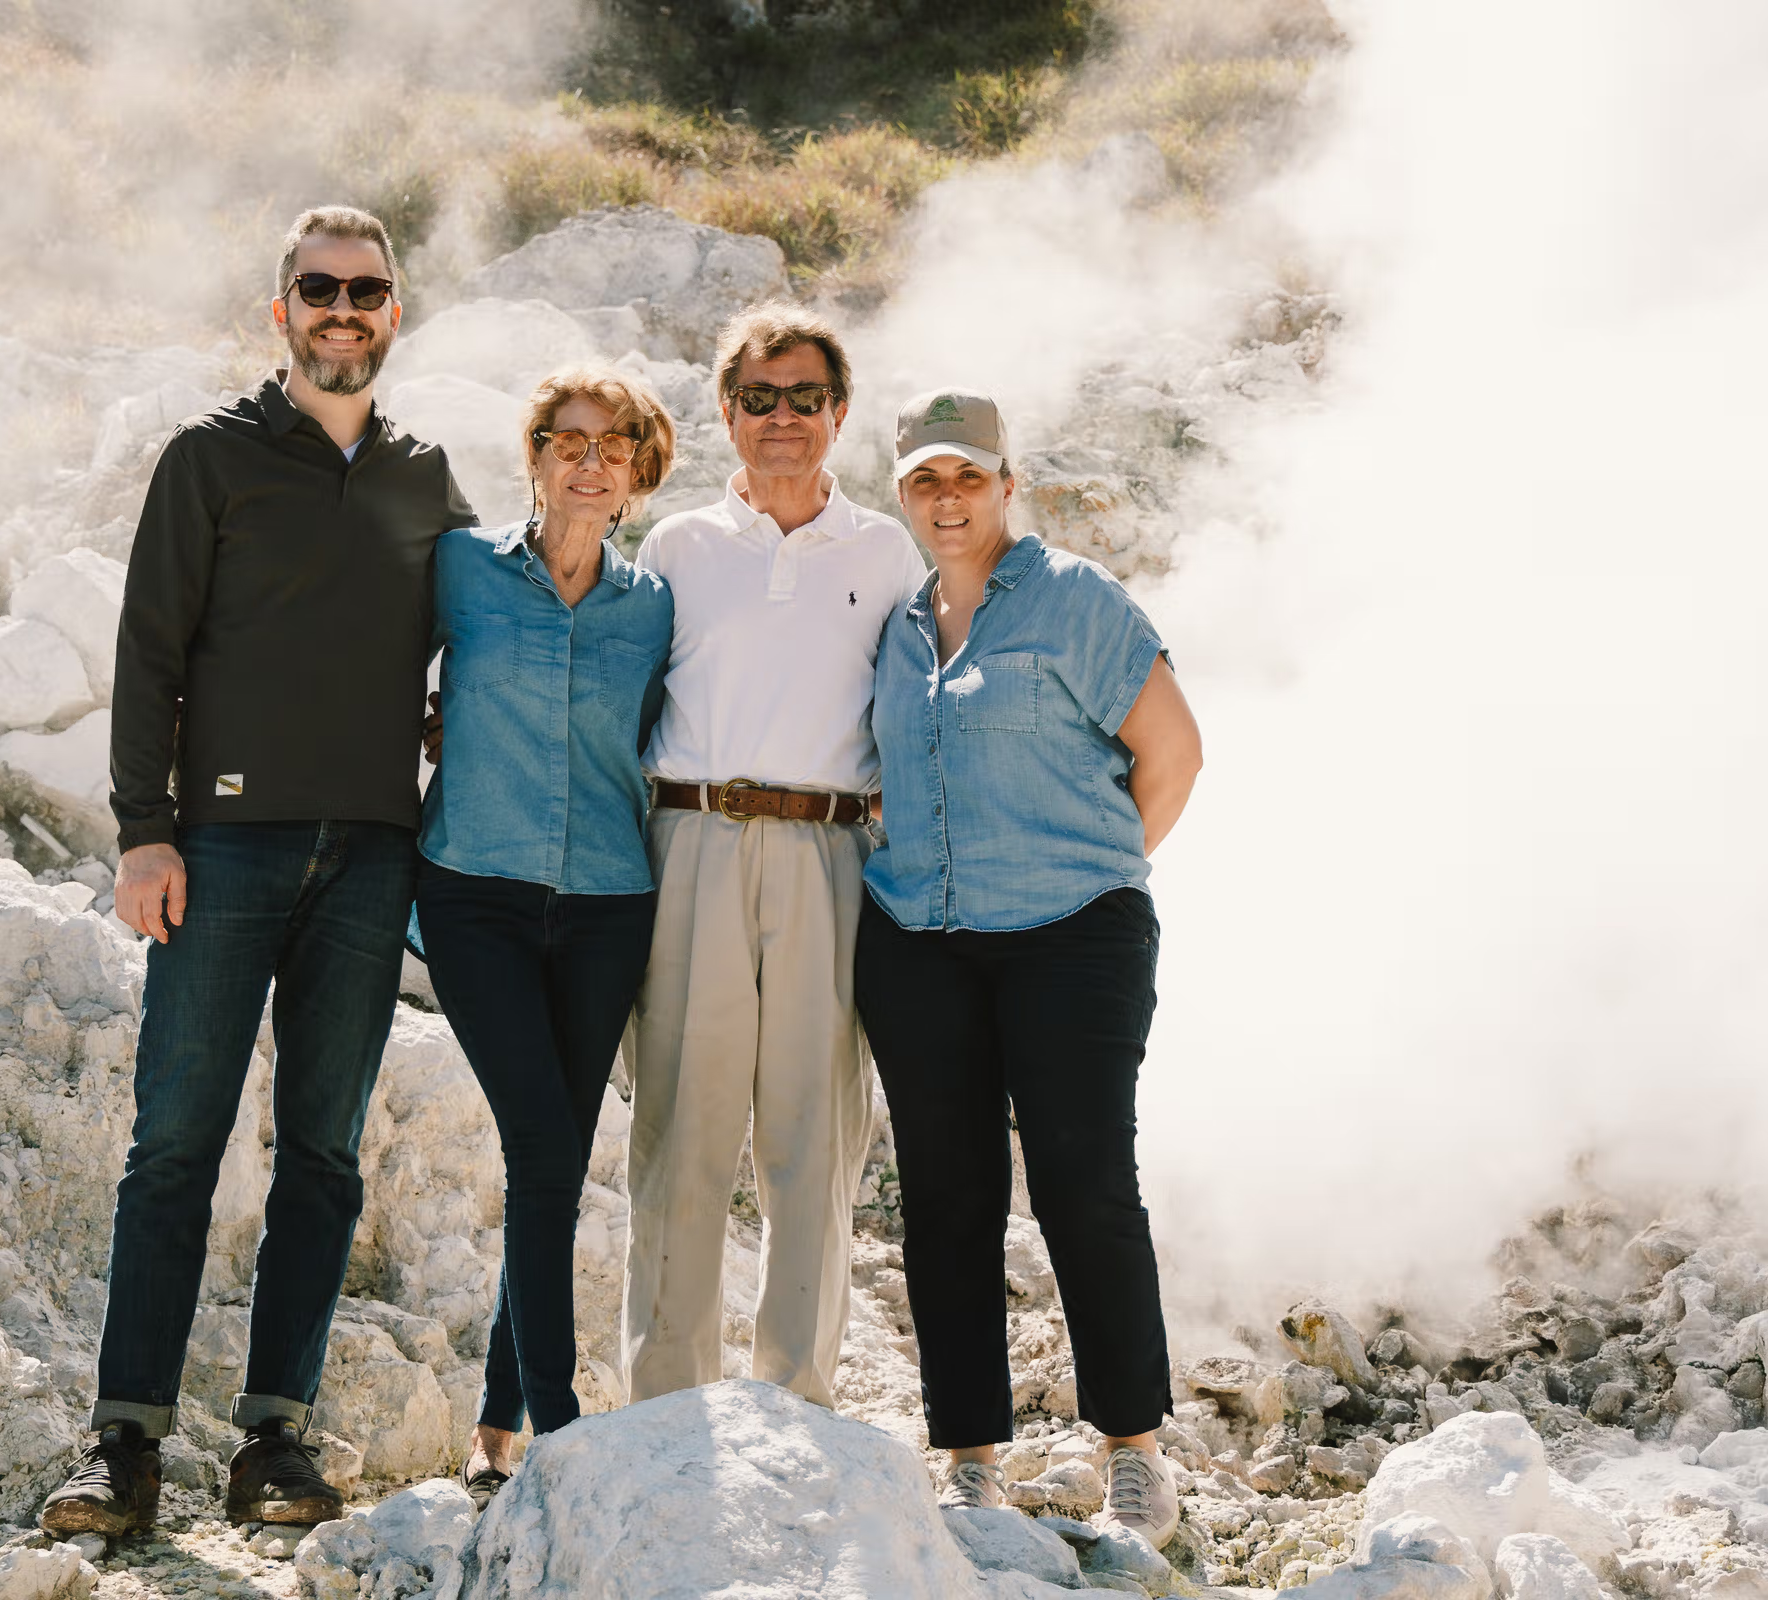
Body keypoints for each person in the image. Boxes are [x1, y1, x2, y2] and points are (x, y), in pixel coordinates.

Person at [38, 206, 476, 1539]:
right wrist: (142, 831)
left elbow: (483, 641)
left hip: (370, 861)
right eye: (318, 288)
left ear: (396, 312)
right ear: (279, 308)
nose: (343, 309)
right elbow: (148, 654)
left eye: (367, 290)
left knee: (325, 1158)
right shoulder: (209, 462)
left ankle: (275, 1441)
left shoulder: (424, 476)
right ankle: (124, 1446)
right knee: (175, 1142)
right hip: (221, 851)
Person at [854, 388, 1203, 1540]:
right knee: (946, 1200)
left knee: (1082, 1183)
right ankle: (968, 1456)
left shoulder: (1074, 600)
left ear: (1010, 485)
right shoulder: (899, 629)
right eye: (924, 481)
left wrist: (1091, 871)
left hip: (1072, 935)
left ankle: (1136, 1451)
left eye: (968, 477)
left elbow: (1173, 752)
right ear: (901, 494)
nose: (948, 499)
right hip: (922, 945)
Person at [622, 303, 929, 1411]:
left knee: (814, 1137)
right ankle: (667, 1400)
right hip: (692, 839)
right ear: (727, 411)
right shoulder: (676, 546)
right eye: (760, 398)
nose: (784, 418)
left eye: (806, 397)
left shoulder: (888, 550)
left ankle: (797, 1396)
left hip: (831, 852)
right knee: (682, 1130)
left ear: (840, 414)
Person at [413, 368, 677, 1507]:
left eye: (614, 445)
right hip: (473, 891)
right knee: (542, 1142)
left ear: (639, 474)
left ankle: (495, 1428)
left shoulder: (656, 606)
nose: (589, 459)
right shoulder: (462, 570)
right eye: (567, 440)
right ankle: (560, 1421)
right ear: (533, 457)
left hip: (611, 902)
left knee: (556, 1161)